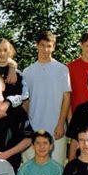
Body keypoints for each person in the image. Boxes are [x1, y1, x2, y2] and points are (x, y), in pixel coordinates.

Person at [21, 31, 71, 165]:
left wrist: (61, 124)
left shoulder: (62, 69)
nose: (45, 49)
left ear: (54, 47)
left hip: (56, 129)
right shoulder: (27, 71)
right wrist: (27, 125)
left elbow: (66, 98)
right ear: (37, 46)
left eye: (49, 46)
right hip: (34, 128)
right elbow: (25, 101)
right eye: (42, 45)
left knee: (56, 169)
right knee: (32, 170)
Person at [0, 72, 33, 172]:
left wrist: (5, 155)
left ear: (3, 87)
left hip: (11, 166)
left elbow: (28, 139)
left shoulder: (17, 111)